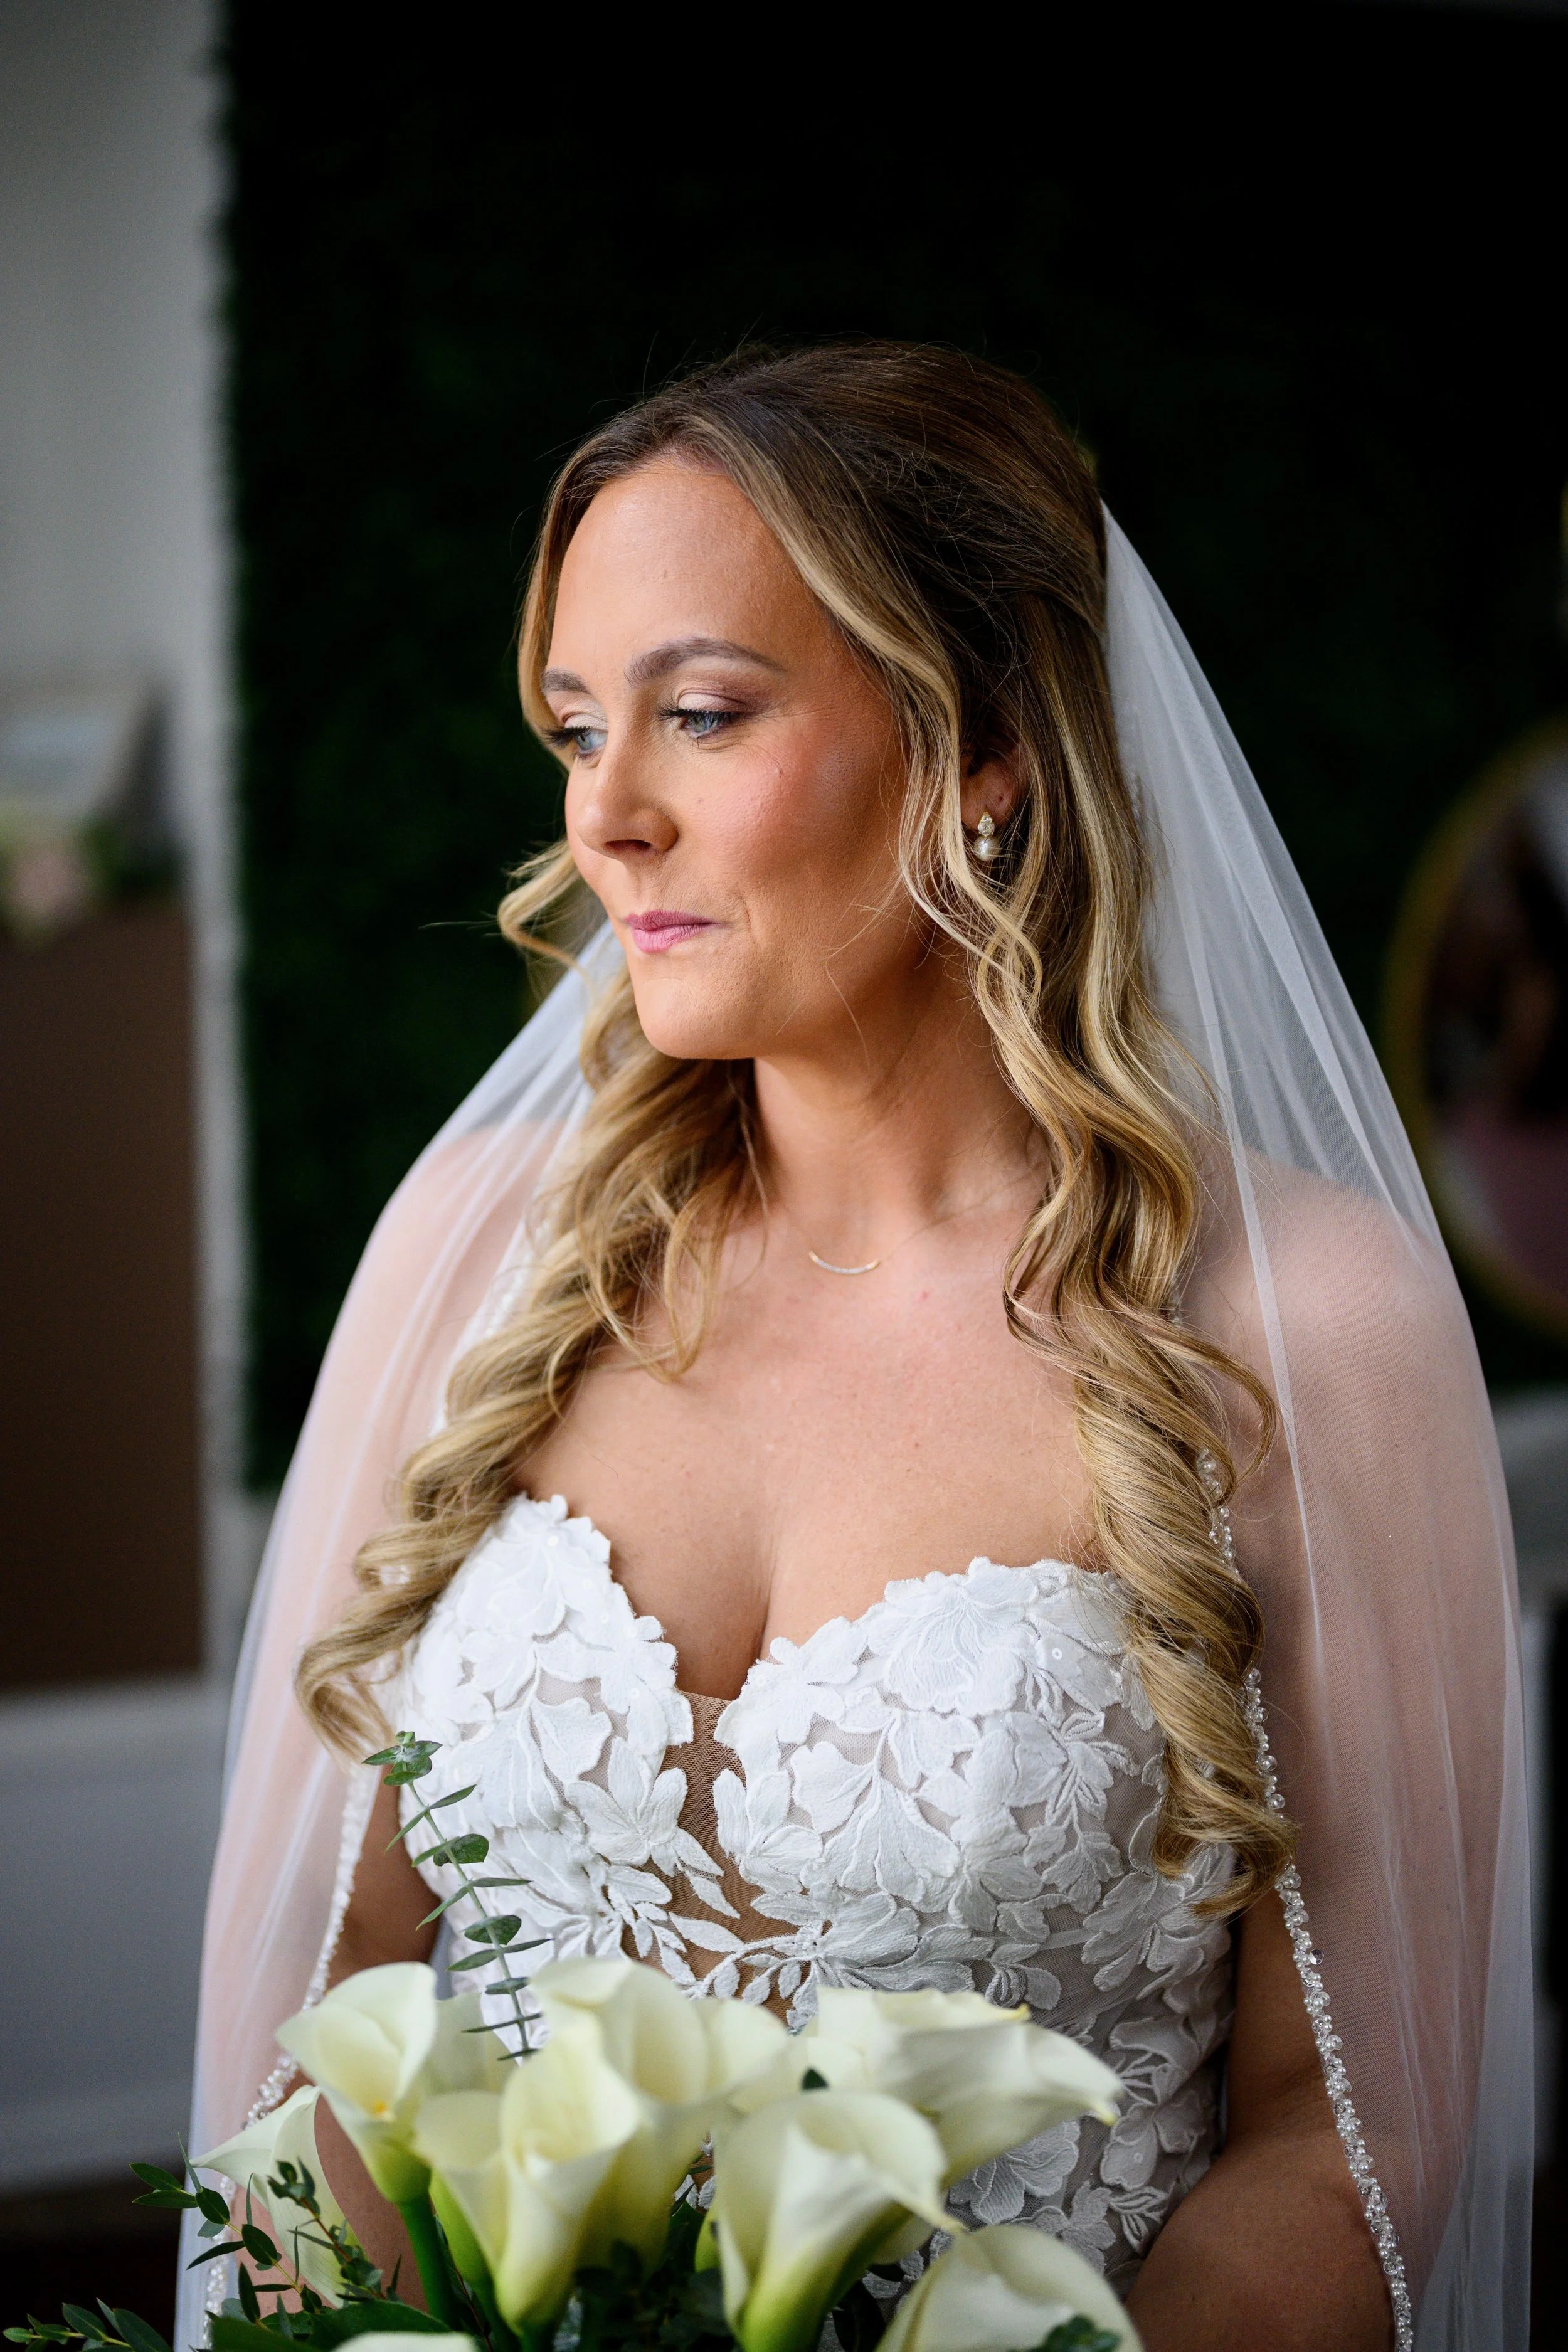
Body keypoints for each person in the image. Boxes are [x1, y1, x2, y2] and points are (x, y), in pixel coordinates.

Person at [187, 345, 1530, 2351]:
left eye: (699, 714)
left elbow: (1350, 2136)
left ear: (980, 739)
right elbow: (303, 2027)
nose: (605, 813)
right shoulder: (470, 1251)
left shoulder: (1300, 1325)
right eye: (574, 725)